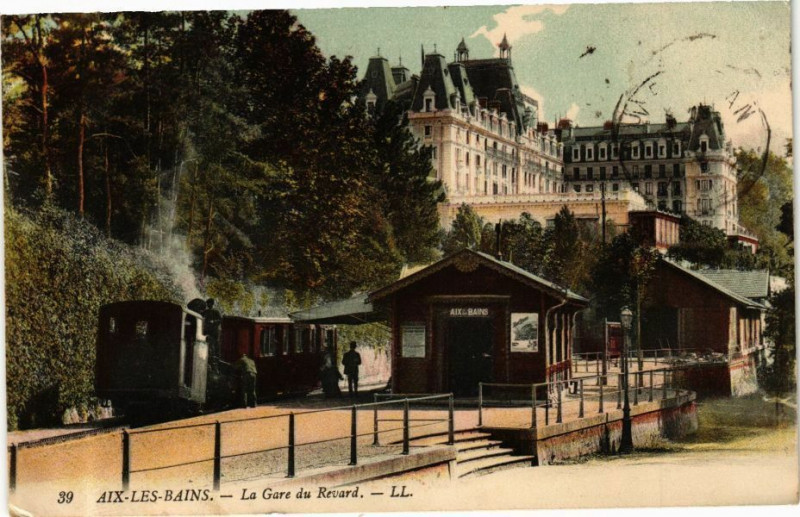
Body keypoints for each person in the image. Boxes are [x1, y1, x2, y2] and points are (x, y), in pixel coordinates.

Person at [203, 298, 222, 366]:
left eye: (209, 303)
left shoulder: (216, 311)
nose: (208, 305)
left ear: (212, 304)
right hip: (206, 331)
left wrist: (213, 321)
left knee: (214, 345)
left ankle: (215, 360)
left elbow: (220, 320)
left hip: (214, 331)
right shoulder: (205, 311)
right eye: (208, 304)